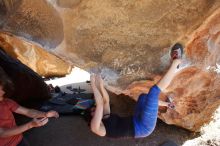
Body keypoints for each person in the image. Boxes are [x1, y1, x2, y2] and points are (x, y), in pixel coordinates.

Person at [87, 43, 183, 138]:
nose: (96, 110)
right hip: (143, 127)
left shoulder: (104, 117)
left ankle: (168, 104)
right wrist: (93, 84)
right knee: (153, 92)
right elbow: (99, 104)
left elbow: (105, 101)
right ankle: (176, 62)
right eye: (93, 111)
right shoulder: (97, 129)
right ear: (91, 118)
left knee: (143, 97)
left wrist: (100, 84)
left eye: (94, 109)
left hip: (136, 119)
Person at [0, 67, 59, 146]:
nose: (3, 92)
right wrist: (30, 125)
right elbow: (2, 133)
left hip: (18, 139)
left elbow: (28, 112)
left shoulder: (6, 102)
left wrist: (45, 114)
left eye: (2, 88)